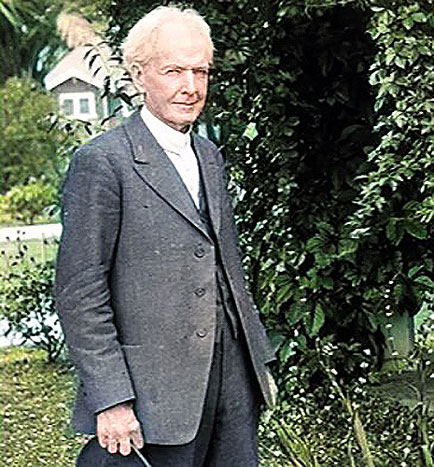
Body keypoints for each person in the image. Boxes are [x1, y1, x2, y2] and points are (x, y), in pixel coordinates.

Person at [55, 6, 276, 466]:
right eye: (173, 70)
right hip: (151, 390)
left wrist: (258, 362)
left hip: (233, 381)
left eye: (200, 71)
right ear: (138, 76)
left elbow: (222, 265)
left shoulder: (209, 155)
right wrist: (111, 398)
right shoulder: (104, 162)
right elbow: (80, 294)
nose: (190, 87)